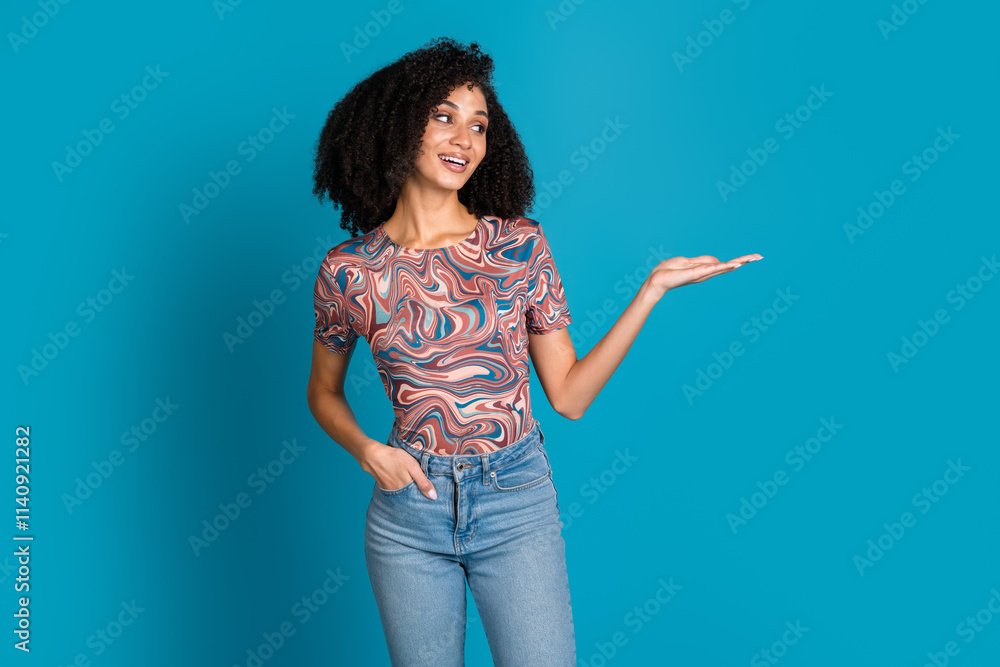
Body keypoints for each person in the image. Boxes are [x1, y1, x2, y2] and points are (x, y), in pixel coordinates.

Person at [306, 36, 761, 667]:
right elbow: (322, 392)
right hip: (408, 511)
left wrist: (651, 290)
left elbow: (569, 397)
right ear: (398, 125)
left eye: (479, 125)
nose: (463, 139)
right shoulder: (348, 271)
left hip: (513, 498)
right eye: (443, 117)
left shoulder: (518, 248)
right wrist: (367, 450)